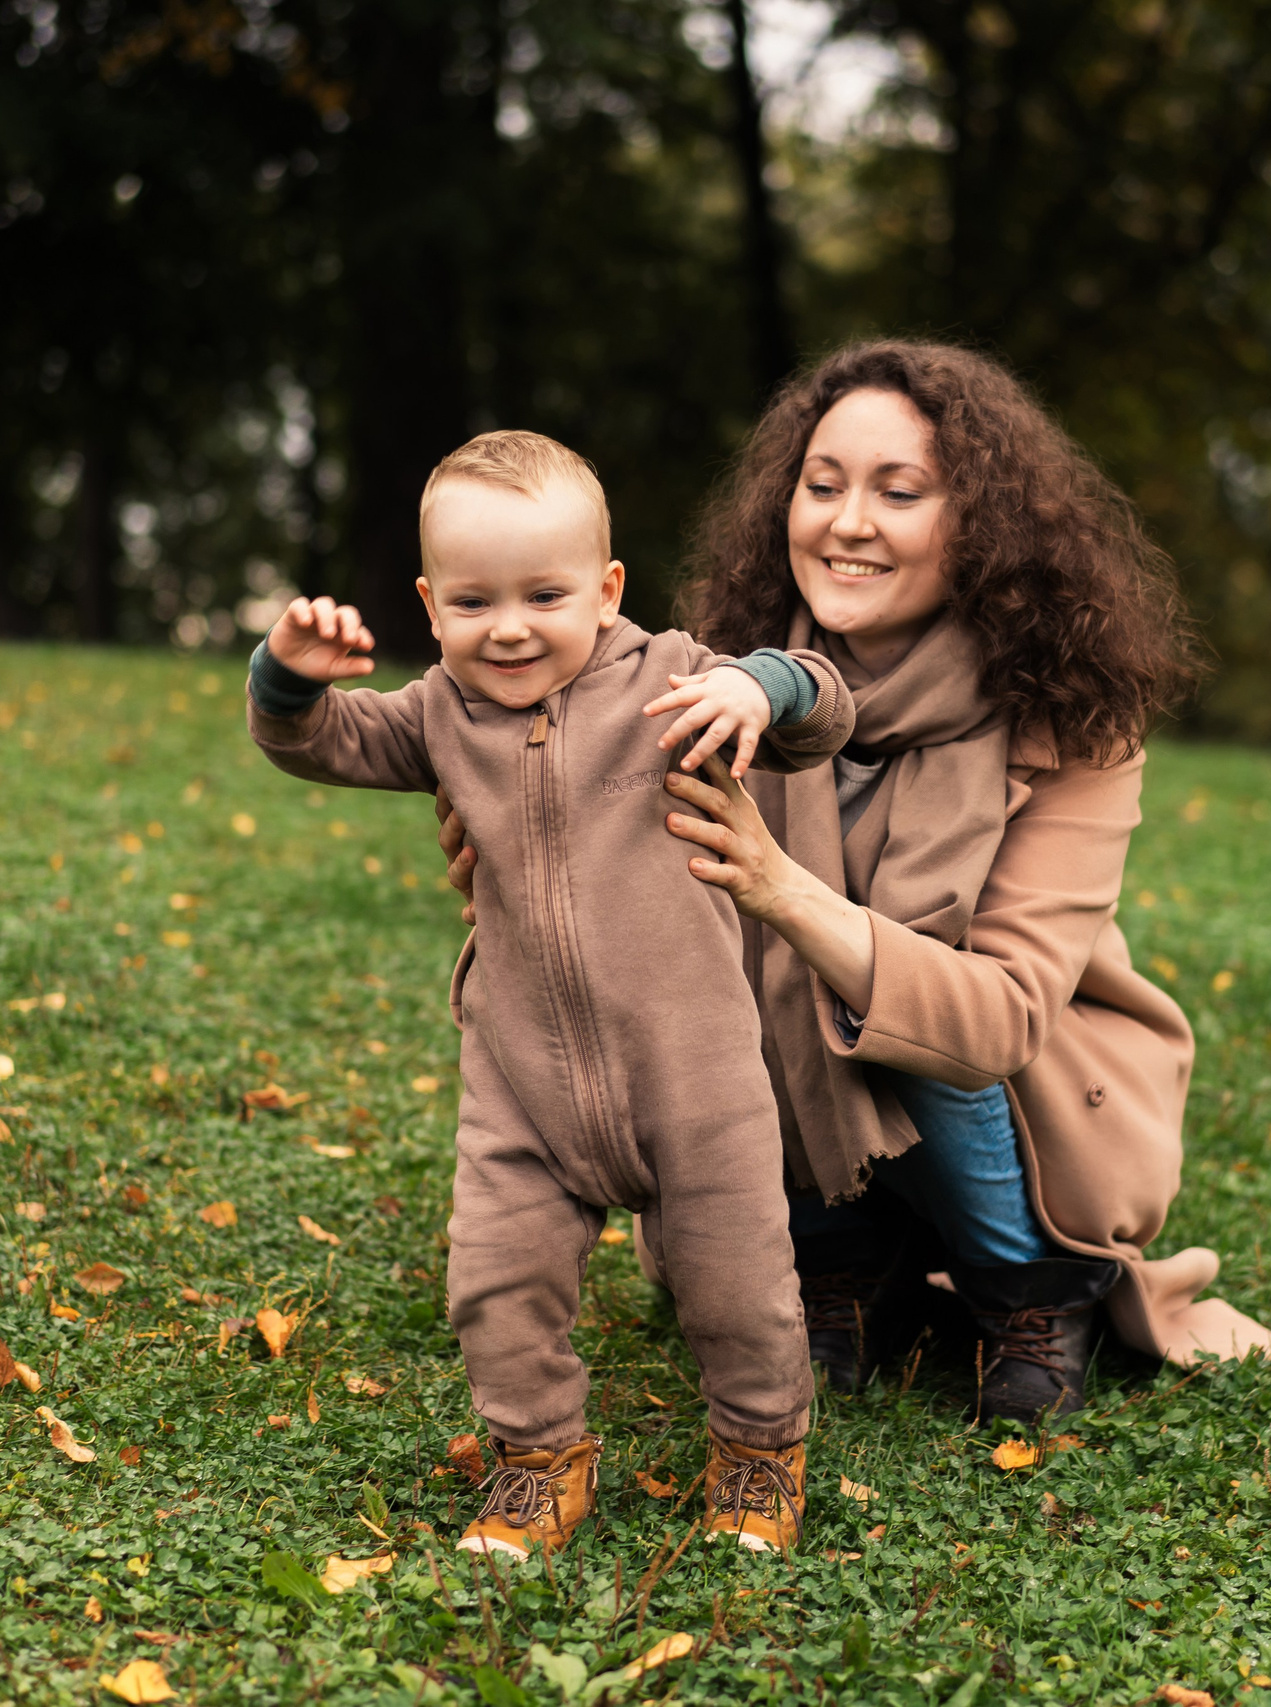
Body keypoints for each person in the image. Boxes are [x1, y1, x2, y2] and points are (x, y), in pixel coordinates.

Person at [441, 345, 1271, 1427]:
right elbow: (614, 925)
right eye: (823, 484)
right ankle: (833, 1264)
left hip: (1008, 1110)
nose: (847, 521)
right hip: (788, 1126)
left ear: (978, 521)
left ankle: (1033, 1290)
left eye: (900, 492)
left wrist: (782, 889)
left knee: (878, 991)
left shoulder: (1073, 721)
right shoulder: (701, 685)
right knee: (737, 994)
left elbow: (998, 1020)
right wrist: (512, 882)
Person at [243, 430, 854, 1557]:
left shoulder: (673, 679)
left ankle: (762, 1453)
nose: (510, 626)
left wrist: (757, 684)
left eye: (545, 594)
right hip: (522, 1079)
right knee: (494, 1279)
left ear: (607, 588)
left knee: (740, 1285)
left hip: (693, 1072)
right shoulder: (436, 714)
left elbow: (824, 702)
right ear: (430, 606)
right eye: (473, 602)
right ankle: (536, 1464)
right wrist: (289, 676)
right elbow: (319, 740)